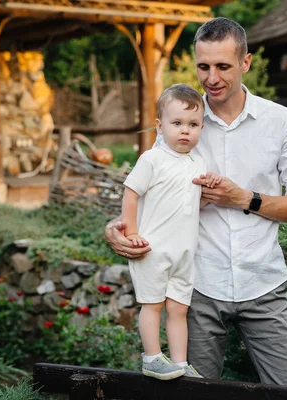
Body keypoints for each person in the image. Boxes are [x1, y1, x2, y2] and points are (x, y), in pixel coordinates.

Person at [107, 17, 287, 387]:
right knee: (190, 393)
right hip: (196, 289)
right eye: (203, 66)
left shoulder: (282, 123)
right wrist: (116, 228)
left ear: (246, 63)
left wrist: (243, 198)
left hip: (264, 283)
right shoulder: (181, 121)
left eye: (223, 66)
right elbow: (145, 191)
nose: (211, 78)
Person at [121, 83, 221, 380]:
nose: (185, 131)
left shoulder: (199, 163)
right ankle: (152, 357)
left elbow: (194, 203)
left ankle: (179, 362)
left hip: (184, 252)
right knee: (152, 305)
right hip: (153, 249)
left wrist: (209, 189)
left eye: (193, 125)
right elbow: (130, 193)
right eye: (177, 123)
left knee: (178, 310)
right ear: (159, 126)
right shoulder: (152, 159)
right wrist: (131, 233)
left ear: (202, 127)